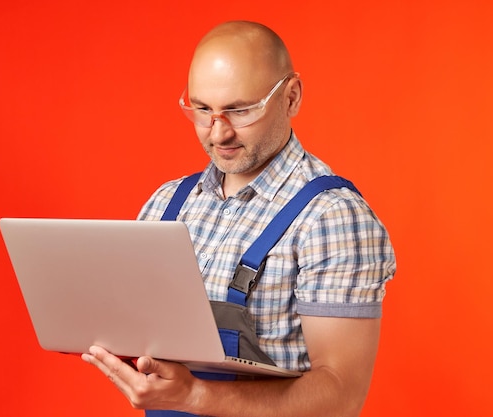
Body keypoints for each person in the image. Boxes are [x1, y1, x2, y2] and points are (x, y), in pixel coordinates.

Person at [81, 20, 396, 417]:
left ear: (291, 97)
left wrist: (193, 396)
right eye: (202, 110)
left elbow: (339, 397)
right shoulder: (167, 205)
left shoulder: (330, 218)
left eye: (239, 110)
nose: (218, 133)